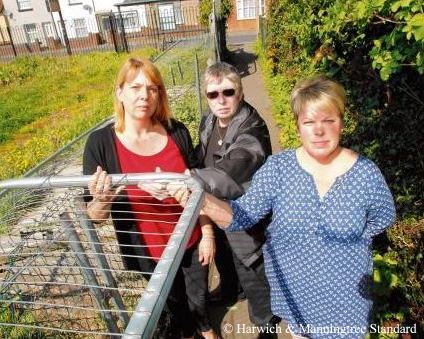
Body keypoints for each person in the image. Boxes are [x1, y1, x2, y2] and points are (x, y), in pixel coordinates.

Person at [169, 75, 396, 338]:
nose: (319, 130)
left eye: (329, 120)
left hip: (346, 304)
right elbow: (242, 216)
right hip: (296, 300)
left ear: (341, 123)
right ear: (298, 127)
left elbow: (382, 218)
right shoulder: (279, 169)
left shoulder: (366, 174)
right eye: (309, 122)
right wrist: (200, 198)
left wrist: (345, 251)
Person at [83, 57, 218, 339]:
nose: (144, 95)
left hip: (191, 240)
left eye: (153, 88)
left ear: (160, 95)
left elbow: (200, 187)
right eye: (135, 87)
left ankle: (206, 328)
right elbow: (94, 215)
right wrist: (104, 198)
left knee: (198, 296)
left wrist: (208, 234)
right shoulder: (100, 144)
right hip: (150, 252)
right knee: (174, 306)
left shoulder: (176, 131)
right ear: (120, 93)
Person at [189, 62, 279, 334]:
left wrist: (190, 179)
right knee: (226, 259)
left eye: (228, 92)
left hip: (246, 212)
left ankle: (266, 324)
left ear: (240, 93)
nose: (221, 100)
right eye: (213, 94)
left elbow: (238, 163)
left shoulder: (253, 126)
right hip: (217, 208)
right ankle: (230, 292)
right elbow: (199, 154)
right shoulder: (209, 120)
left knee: (251, 267)